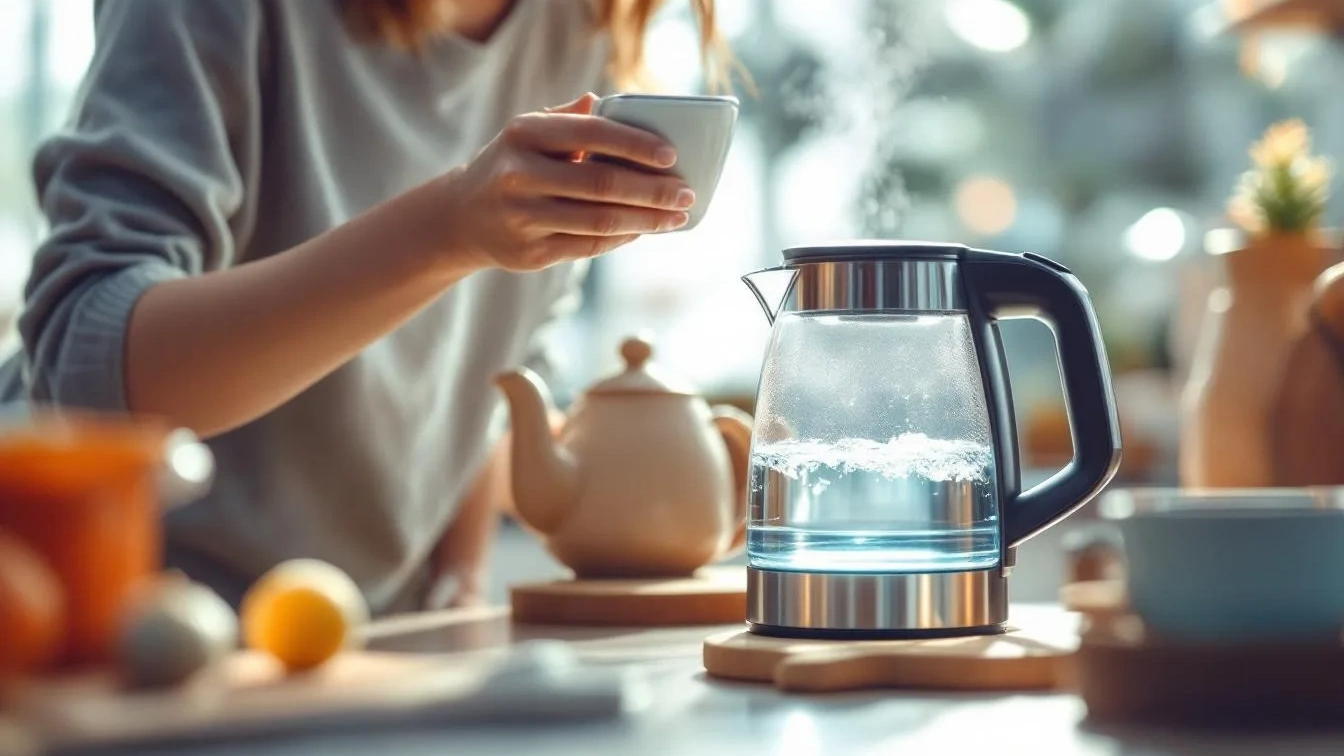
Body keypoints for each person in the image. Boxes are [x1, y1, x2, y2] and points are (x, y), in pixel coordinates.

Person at [0, 0, 735, 616]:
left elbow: (489, 364)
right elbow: (81, 370)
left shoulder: (584, 21)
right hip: (105, 618)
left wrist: (460, 579)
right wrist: (444, 230)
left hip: (348, 647)